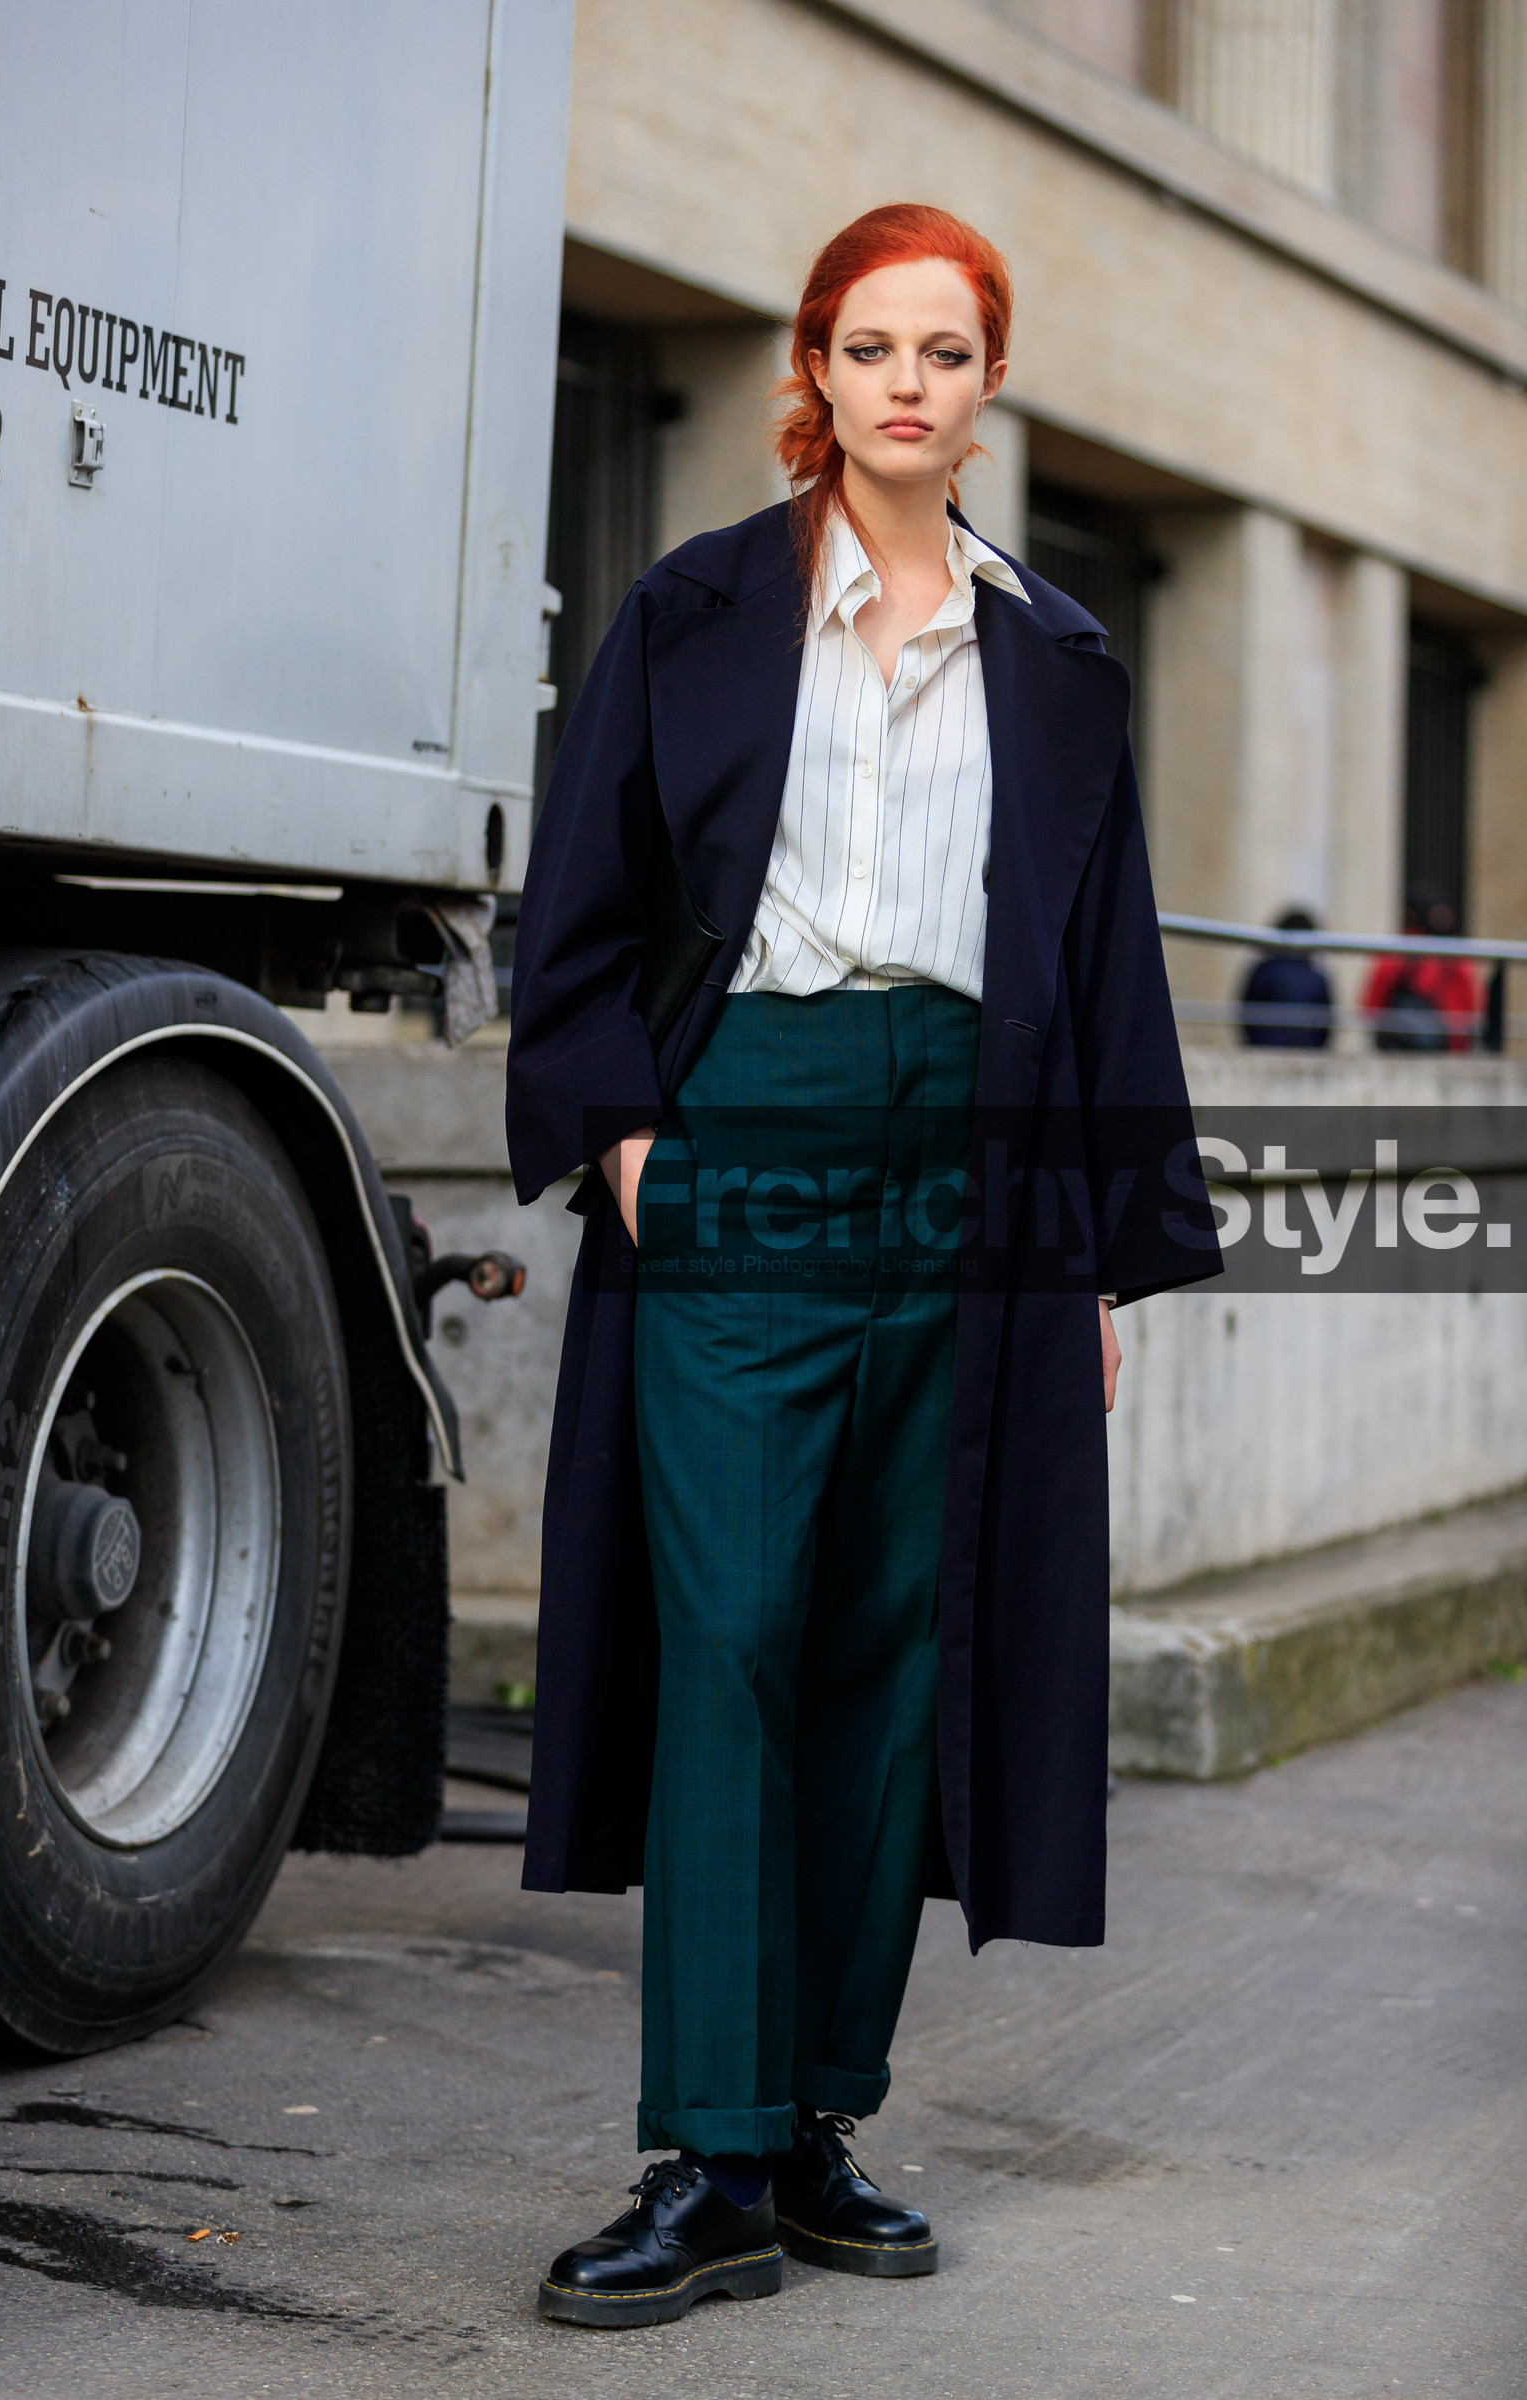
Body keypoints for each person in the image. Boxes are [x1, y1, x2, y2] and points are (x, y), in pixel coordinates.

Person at [506, 202, 1216, 2333]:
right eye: (867, 346)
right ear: (809, 374)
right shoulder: (699, 610)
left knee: (887, 1647)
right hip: (750, 1141)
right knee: (728, 1627)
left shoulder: (1060, 661)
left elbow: (1092, 972)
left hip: (977, 1174)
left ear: (988, 389)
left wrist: (1086, 1259)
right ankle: (705, 2156)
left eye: (945, 350)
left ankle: (813, 2121)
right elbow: (596, 886)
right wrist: (633, 1135)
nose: (904, 383)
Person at [1363, 886, 1480, 1053]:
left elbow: (1372, 1003)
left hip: (1404, 1044)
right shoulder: (1453, 954)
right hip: (1444, 1043)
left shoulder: (1398, 952)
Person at [1238, 908, 1334, 1048]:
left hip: (1263, 1047)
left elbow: (1245, 1012)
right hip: (1306, 1050)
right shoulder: (1317, 976)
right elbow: (1326, 1023)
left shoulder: (1263, 970)